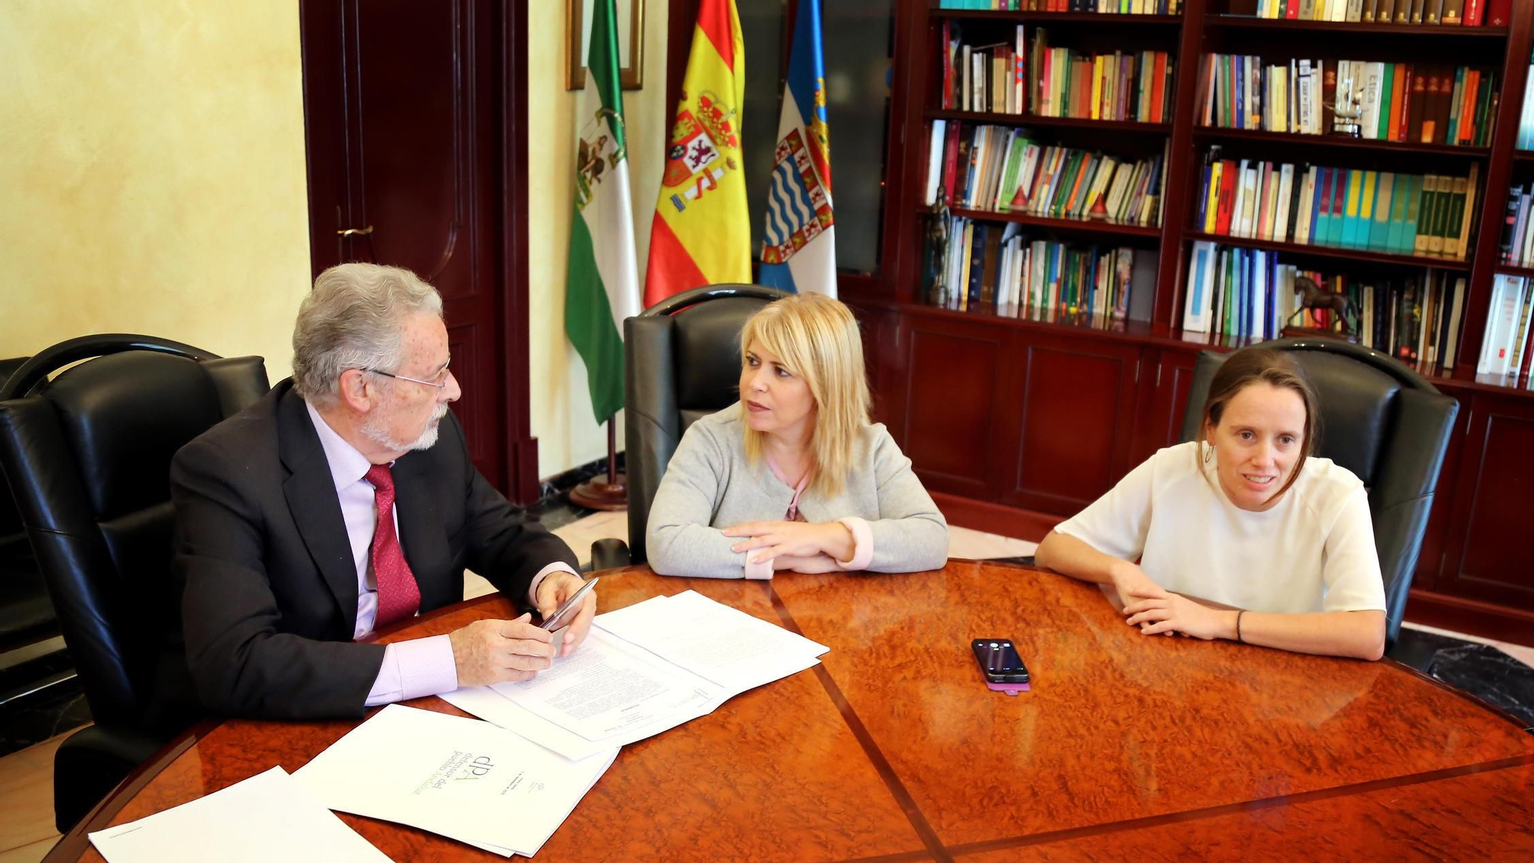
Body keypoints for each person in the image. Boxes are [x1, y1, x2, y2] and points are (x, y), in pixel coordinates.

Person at [162, 263, 596, 721]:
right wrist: (448, 661)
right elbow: (237, 663)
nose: (453, 390)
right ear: (360, 388)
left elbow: (501, 530)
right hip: (286, 721)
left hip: (420, 709)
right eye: (434, 374)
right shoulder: (226, 473)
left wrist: (550, 576)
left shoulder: (428, 438)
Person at [1035, 346, 1387, 660]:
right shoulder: (1174, 468)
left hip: (1283, 682)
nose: (1265, 460)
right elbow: (1053, 549)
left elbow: (1367, 635)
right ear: (1211, 430)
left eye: (1286, 440)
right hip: (1169, 667)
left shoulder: (1339, 494)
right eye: (1246, 435)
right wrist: (1120, 569)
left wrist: (1218, 622)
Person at [646, 292, 948, 578]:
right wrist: (783, 556)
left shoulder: (871, 447)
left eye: (781, 371)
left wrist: (823, 537)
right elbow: (666, 543)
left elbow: (931, 538)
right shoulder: (711, 439)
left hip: (838, 620)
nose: (755, 383)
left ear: (825, 385)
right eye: (753, 362)